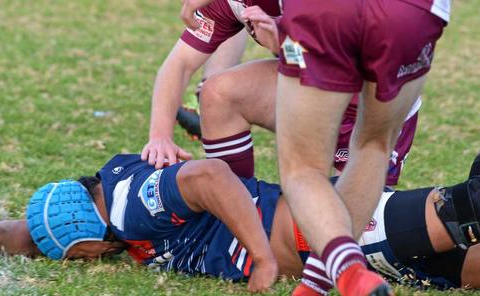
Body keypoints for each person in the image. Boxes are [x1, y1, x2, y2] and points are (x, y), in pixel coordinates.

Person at [0, 119, 480, 296]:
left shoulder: (128, 212)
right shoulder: (100, 197)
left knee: (475, 209)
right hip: (342, 254)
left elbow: (208, 175)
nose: (89, 262)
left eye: (82, 255)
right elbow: (43, 232)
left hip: (322, 233)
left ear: (93, 236)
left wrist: (259, 257)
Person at [182, 0, 452, 296]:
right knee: (372, 147)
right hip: (414, 11)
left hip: (329, 10)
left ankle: (354, 276)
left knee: (303, 169)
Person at [144, 0, 420, 187]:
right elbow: (179, 64)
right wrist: (160, 137)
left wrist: (281, 44)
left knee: (339, 227)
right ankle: (236, 202)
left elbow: (335, 66)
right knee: (219, 92)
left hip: (373, 102)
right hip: (313, 89)